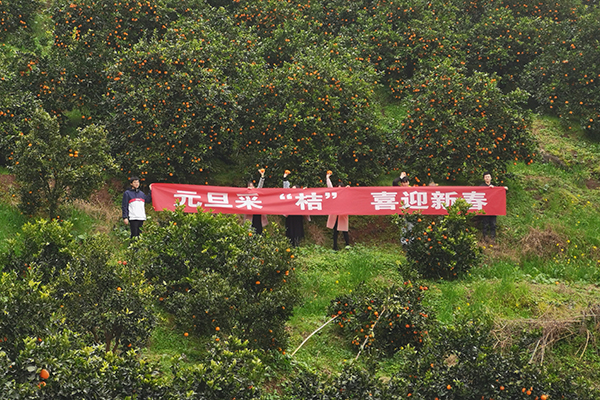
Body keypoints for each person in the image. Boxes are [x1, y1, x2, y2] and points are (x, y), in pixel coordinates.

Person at [479, 172, 506, 242]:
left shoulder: (494, 187)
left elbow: (499, 194)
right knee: (485, 223)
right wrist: (488, 188)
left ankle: (493, 237)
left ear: (491, 178)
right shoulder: (481, 186)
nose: (487, 178)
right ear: (484, 178)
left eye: (488, 177)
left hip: (493, 209)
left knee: (493, 224)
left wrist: (504, 189)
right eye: (486, 177)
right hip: (485, 208)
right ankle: (485, 236)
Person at [326, 171, 350, 250]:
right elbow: (330, 187)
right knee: (335, 231)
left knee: (344, 230)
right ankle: (335, 246)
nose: (339, 189)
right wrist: (327, 178)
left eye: (341, 187)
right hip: (335, 215)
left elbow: (350, 194)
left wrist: (348, 188)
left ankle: (347, 245)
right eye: (338, 187)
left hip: (343, 214)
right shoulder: (334, 194)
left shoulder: (345, 194)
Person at [283, 170, 305, 247]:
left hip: (298, 215)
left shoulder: (300, 196)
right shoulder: (289, 195)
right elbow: (285, 189)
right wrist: (284, 178)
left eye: (294, 189)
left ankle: (297, 244)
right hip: (290, 215)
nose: (293, 190)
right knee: (290, 231)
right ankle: (291, 245)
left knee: (297, 231)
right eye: (292, 189)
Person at [243, 169, 268, 234]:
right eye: (249, 186)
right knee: (250, 231)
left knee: (258, 230)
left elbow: (260, 187)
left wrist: (262, 176)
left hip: (258, 214)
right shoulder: (244, 195)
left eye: (252, 186)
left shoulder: (256, 193)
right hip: (250, 217)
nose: (251, 188)